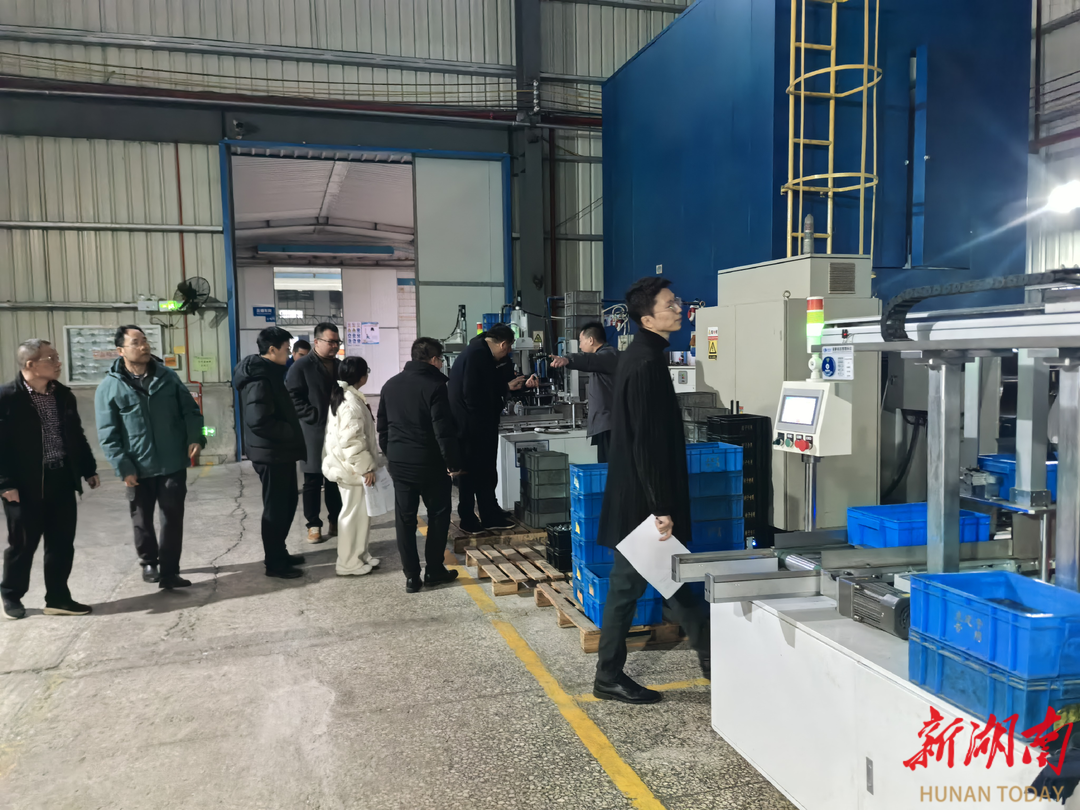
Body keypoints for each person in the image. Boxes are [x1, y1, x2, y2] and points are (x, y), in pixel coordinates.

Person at [593, 278, 711, 704]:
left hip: (639, 496)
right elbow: (646, 443)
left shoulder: (644, 356)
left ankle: (710, 655)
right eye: (669, 304)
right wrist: (660, 506)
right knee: (643, 586)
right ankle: (609, 676)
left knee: (662, 580)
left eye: (677, 301)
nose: (678, 308)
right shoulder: (644, 363)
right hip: (642, 502)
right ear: (647, 319)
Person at [96, 325, 205, 590]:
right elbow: (108, 433)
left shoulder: (168, 377)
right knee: (141, 518)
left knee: (172, 517)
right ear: (121, 350)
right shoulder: (109, 388)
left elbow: (191, 411)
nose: (144, 346)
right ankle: (148, 562)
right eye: (136, 342)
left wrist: (196, 437)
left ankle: (170, 571)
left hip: (172, 462)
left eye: (145, 341)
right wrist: (123, 466)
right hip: (137, 466)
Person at [0, 339, 100, 619]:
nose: (58, 363)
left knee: (61, 543)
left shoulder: (63, 395)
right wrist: (5, 483)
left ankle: (58, 598)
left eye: (57, 357)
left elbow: (76, 435)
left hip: (61, 478)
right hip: (24, 485)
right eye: (51, 358)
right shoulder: (7, 397)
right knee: (23, 544)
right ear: (30, 364)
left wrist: (88, 468)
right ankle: (11, 595)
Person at [378, 338, 462, 594]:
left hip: (400, 463)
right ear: (434, 359)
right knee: (438, 515)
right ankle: (434, 570)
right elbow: (442, 430)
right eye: (441, 359)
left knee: (405, 520)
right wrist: (453, 463)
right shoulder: (435, 386)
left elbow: (383, 427)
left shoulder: (390, 385)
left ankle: (411, 577)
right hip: (430, 464)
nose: (441, 364)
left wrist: (393, 455)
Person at [233, 326, 308, 580]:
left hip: (278, 452)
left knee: (287, 503)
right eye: (286, 349)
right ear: (272, 349)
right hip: (271, 453)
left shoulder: (270, 373)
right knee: (276, 508)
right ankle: (274, 563)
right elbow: (259, 420)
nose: (288, 354)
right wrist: (291, 432)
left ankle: (280, 552)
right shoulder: (259, 378)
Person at [447, 324, 532, 534]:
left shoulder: (478, 351)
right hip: (473, 425)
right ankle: (472, 518)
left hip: (476, 423)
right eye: (509, 348)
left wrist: (511, 385)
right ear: (503, 344)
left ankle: (489, 510)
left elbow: (486, 385)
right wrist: (504, 388)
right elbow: (472, 393)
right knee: (474, 473)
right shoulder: (478, 355)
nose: (508, 353)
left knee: (485, 471)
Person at [322, 357, 386, 577]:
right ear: (361, 376)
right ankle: (348, 563)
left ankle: (360, 554)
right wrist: (365, 468)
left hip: (348, 467)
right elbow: (351, 441)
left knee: (361, 515)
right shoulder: (350, 402)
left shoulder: (348, 397)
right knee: (352, 516)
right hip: (352, 469)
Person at [286, 322, 342, 544]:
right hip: (312, 431)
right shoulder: (301, 367)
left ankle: (335, 520)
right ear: (316, 342)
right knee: (312, 480)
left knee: (334, 479)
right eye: (331, 342)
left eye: (337, 342)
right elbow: (292, 396)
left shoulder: (339, 366)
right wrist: (313, 415)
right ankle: (313, 524)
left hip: (336, 431)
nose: (335, 346)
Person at [549, 321, 618, 462]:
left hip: (611, 425)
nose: (580, 346)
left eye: (581, 341)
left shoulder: (608, 355)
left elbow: (589, 360)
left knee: (609, 468)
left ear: (591, 340)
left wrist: (567, 359)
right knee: (605, 467)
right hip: (606, 424)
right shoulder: (604, 358)